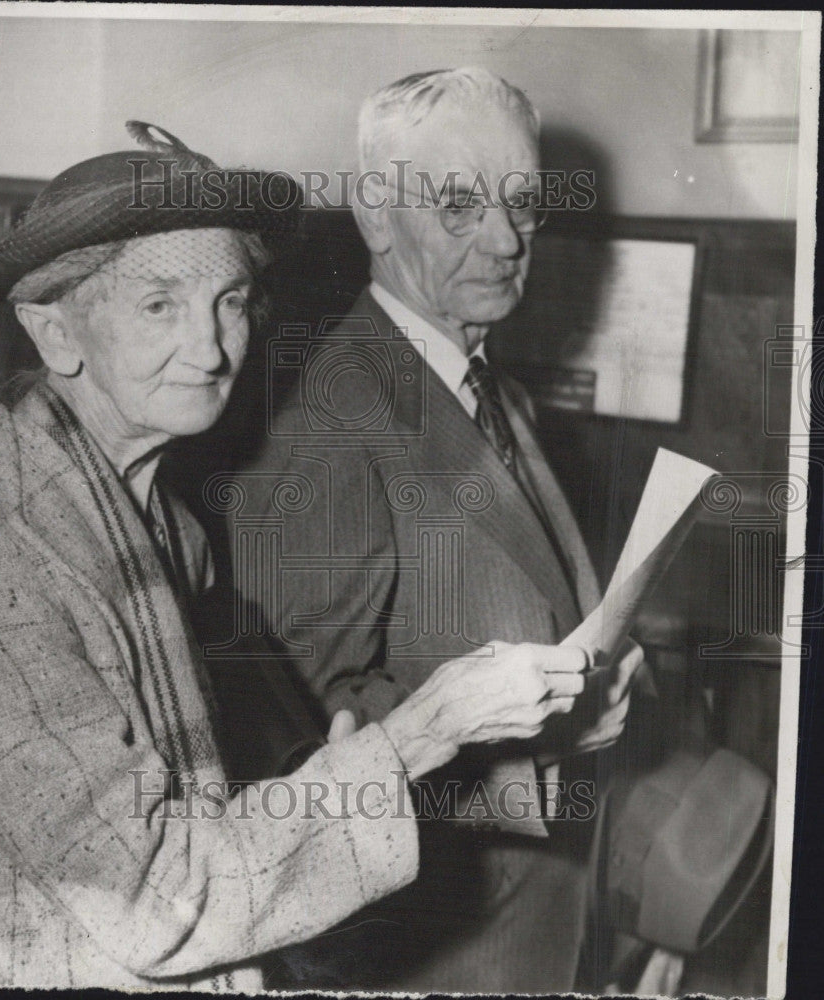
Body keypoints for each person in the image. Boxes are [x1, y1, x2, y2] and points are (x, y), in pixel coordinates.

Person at [0, 122, 591, 989]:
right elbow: (148, 896)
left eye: (229, 300)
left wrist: (437, 763)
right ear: (53, 332)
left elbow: (244, 783)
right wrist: (418, 735)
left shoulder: (157, 520)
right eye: (158, 307)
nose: (213, 347)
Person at [234, 68, 644, 993]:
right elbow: (297, 741)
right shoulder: (328, 414)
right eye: (458, 204)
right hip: (430, 948)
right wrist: (532, 756)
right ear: (376, 215)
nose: (504, 240)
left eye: (524, 204)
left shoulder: (492, 387)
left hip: (532, 928)